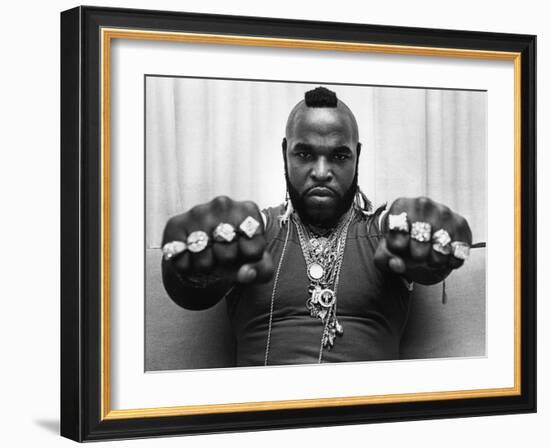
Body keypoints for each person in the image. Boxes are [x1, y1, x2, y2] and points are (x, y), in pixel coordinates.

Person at [160, 86, 472, 367]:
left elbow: (416, 245)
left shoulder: (384, 233)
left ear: (357, 157)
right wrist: (191, 267)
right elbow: (187, 291)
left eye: (338, 156)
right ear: (286, 153)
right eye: (305, 153)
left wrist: (429, 232)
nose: (321, 172)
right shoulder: (253, 233)